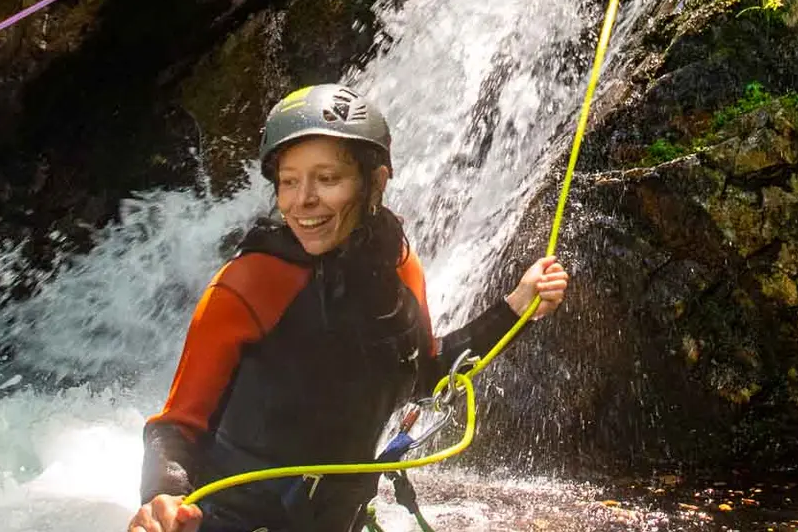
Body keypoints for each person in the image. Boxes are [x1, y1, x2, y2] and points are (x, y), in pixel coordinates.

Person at [128, 84, 571, 532]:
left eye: (327, 179)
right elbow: (176, 426)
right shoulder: (246, 284)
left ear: (374, 181)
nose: (303, 201)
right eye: (288, 182)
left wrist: (517, 306)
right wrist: (162, 497)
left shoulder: (397, 267)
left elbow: (427, 375)